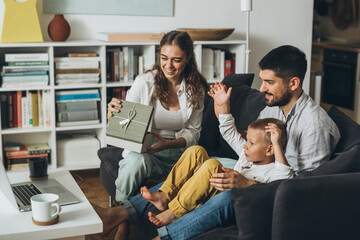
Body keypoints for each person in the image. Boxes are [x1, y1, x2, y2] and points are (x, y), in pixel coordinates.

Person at [93, 45, 340, 240]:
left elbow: (302, 190)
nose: (262, 88)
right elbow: (248, 146)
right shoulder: (274, 108)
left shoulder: (314, 126)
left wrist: (247, 183)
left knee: (222, 190)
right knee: (200, 155)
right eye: (262, 80)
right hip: (254, 170)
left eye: (269, 82)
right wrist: (224, 111)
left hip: (266, 189)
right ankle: (130, 209)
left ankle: (164, 229)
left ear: (294, 83)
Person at [106, 30, 208, 203]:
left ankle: (163, 183)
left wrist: (168, 144)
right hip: (147, 150)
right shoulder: (144, 83)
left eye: (176, 60)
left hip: (179, 152)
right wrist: (114, 116)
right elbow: (126, 125)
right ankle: (120, 214)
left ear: (188, 58)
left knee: (201, 159)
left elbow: (193, 132)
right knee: (135, 163)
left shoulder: (196, 88)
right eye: (164, 58)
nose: (169, 65)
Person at [142, 114, 293, 227]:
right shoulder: (246, 155)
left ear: (270, 150)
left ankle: (174, 213)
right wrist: (223, 105)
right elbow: (229, 131)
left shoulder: (273, 171)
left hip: (225, 202)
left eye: (251, 143)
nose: (245, 146)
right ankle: (165, 195)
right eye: (246, 140)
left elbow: (284, 179)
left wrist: (276, 143)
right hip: (214, 189)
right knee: (196, 151)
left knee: (212, 165)